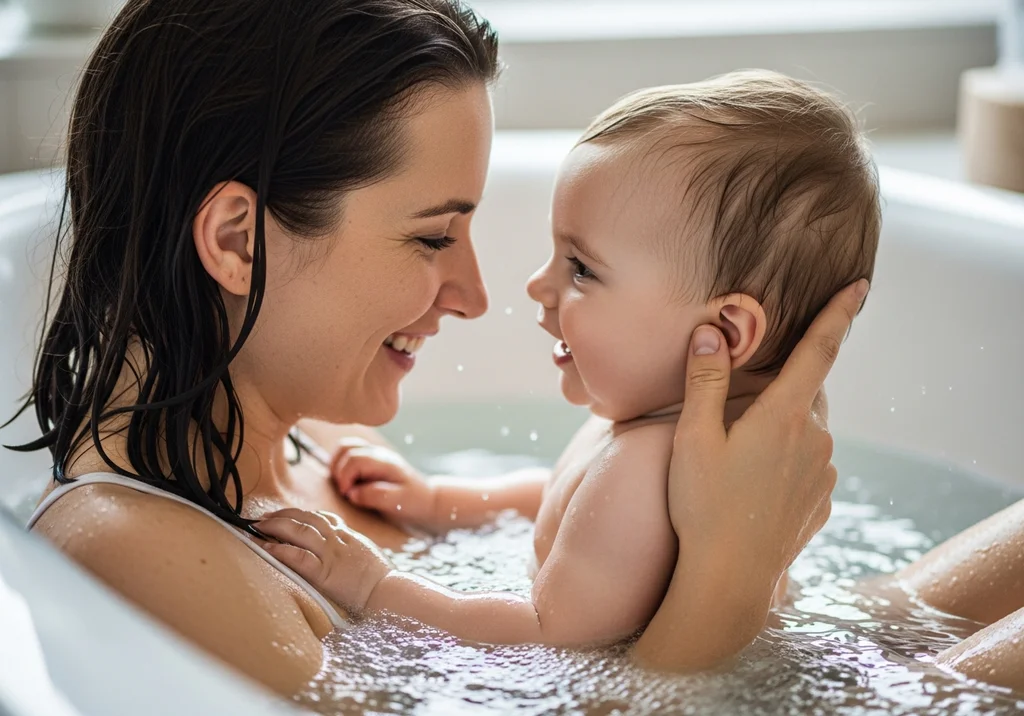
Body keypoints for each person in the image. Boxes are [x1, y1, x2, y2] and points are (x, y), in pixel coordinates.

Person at [2, 0, 857, 699]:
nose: (477, 297)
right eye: (432, 238)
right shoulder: (136, 554)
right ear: (239, 241)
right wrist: (726, 586)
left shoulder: (316, 441)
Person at [257, 71, 880, 648]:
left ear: (724, 332)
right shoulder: (660, 438)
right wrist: (440, 500)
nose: (539, 285)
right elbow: (563, 500)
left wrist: (377, 587)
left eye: (581, 269)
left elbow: (542, 635)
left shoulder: (644, 468)